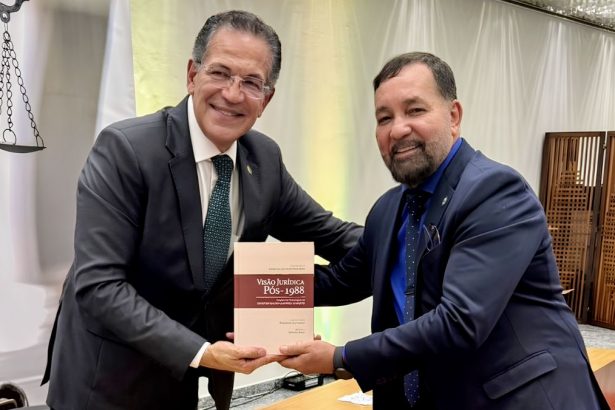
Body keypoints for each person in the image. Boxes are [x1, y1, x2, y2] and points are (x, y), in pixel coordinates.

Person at [42, 10, 361, 410]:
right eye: (220, 73)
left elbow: (339, 239)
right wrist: (202, 352)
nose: (233, 93)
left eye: (251, 82)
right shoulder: (126, 151)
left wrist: (411, 241)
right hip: (105, 385)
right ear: (192, 75)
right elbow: (99, 286)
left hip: (184, 387)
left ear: (266, 98)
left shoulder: (264, 162)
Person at [279, 52, 609, 409]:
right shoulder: (388, 210)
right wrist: (252, 286)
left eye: (415, 110)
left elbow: (460, 322)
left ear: (454, 116)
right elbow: (341, 281)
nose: (397, 129)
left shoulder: (495, 191)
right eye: (384, 118)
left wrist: (339, 357)